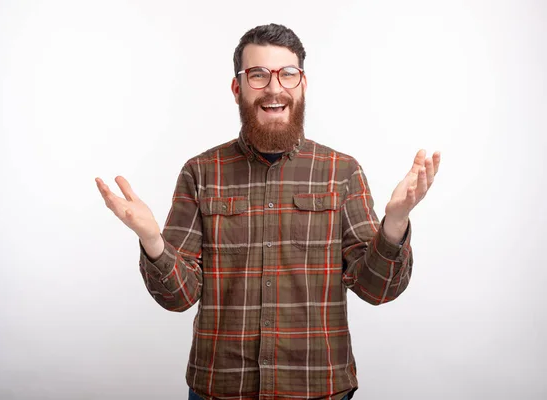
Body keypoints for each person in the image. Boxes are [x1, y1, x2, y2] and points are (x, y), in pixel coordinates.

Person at [96, 23, 440, 400]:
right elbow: (179, 297)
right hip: (221, 389)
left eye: (287, 74)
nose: (274, 88)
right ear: (238, 88)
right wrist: (152, 240)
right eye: (258, 75)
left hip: (319, 389)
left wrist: (395, 223)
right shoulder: (201, 173)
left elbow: (377, 289)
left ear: (302, 85)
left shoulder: (342, 172)